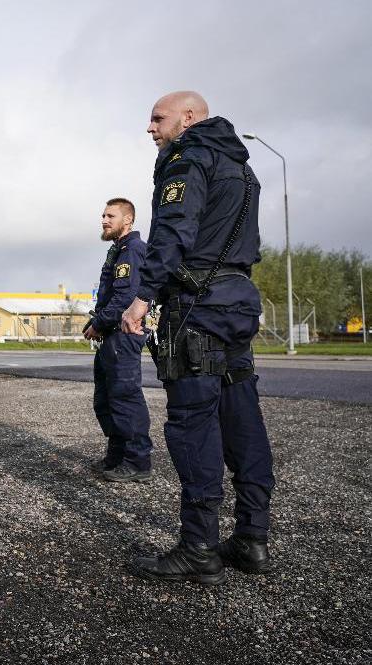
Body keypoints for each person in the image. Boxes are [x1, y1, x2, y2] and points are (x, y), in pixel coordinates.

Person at [121, 92, 275, 585]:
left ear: (188, 118)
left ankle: (199, 548)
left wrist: (143, 297)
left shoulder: (188, 160)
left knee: (193, 424)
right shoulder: (243, 168)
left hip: (198, 307)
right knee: (242, 416)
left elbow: (173, 233)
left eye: (157, 118)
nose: (150, 128)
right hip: (237, 301)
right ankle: (251, 537)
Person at [84, 198, 153, 482]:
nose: (104, 220)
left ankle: (138, 462)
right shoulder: (118, 250)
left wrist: (98, 324)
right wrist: (96, 321)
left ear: (128, 220)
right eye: (103, 215)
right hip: (110, 334)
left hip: (122, 334)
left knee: (125, 397)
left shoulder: (133, 250)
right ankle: (117, 455)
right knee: (106, 399)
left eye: (110, 216)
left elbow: (126, 298)